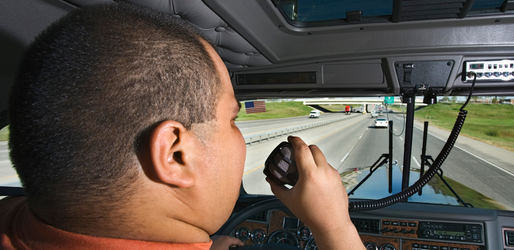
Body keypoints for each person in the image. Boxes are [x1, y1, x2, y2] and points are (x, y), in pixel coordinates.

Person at [1, 2, 364, 250]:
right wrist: (335, 228)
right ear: (175, 154)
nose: (238, 132)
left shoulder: (12, 214)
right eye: (232, 119)